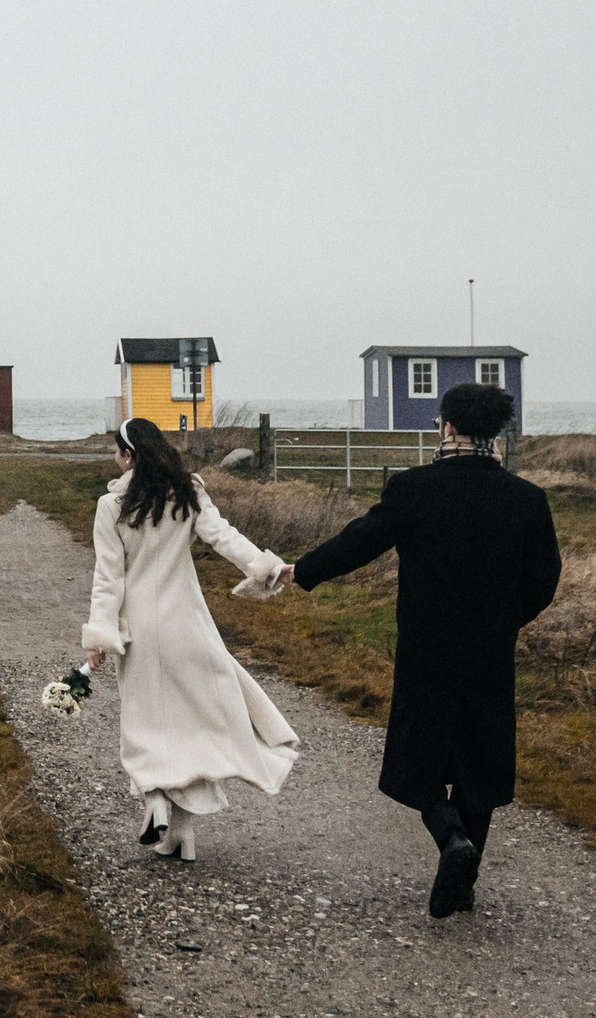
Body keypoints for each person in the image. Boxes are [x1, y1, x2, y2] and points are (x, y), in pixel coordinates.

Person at [292, 381, 561, 918]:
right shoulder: (527, 500)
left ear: (449, 427)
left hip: (426, 646)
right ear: (494, 433)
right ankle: (463, 882)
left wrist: (302, 572)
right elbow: (545, 578)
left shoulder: (415, 488)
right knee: (479, 761)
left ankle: (450, 839)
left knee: (417, 759)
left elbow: (359, 541)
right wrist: (504, 621)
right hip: (489, 650)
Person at [81, 417, 300, 863]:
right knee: (193, 724)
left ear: (128, 456)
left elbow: (109, 579)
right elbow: (225, 539)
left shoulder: (111, 506)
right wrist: (269, 569)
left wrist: (100, 636)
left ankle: (156, 798)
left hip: (139, 628)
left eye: (116, 452)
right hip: (187, 622)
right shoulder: (187, 491)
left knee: (145, 724)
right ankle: (181, 835)